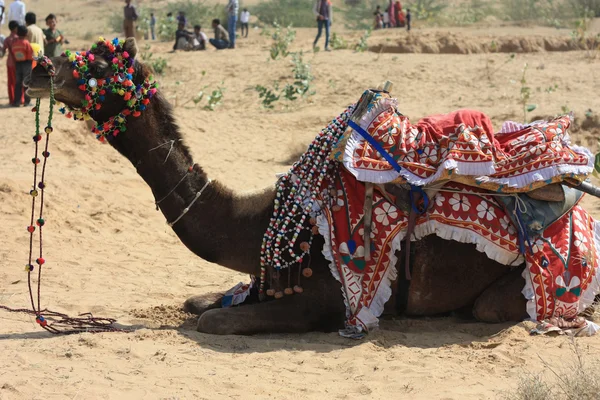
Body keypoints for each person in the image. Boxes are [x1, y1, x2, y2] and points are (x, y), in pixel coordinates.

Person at [10, 24, 32, 106]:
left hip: (18, 64)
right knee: (26, 83)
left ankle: (17, 102)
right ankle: (27, 102)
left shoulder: (15, 43)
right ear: (26, 34)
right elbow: (30, 54)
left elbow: (13, 52)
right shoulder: (26, 43)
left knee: (18, 83)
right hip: (26, 63)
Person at [2, 20, 19, 104]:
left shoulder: (7, 39)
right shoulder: (19, 38)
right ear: (15, 28)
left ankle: (12, 99)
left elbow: (3, 51)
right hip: (19, 62)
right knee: (18, 81)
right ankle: (19, 99)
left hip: (10, 62)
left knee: (11, 82)